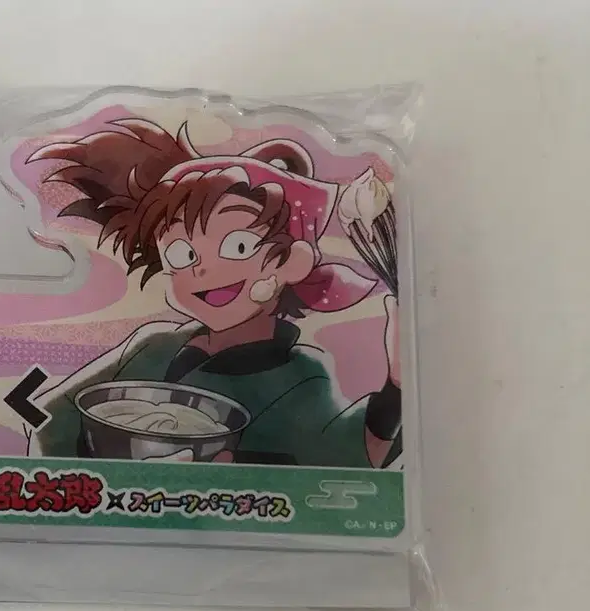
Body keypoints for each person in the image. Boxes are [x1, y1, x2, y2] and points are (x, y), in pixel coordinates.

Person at [26, 119, 401, 467]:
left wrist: (398, 383)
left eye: (238, 246)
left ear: (290, 261)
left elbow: (351, 454)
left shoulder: (301, 374)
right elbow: (51, 422)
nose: (202, 270)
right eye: (182, 254)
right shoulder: (153, 346)